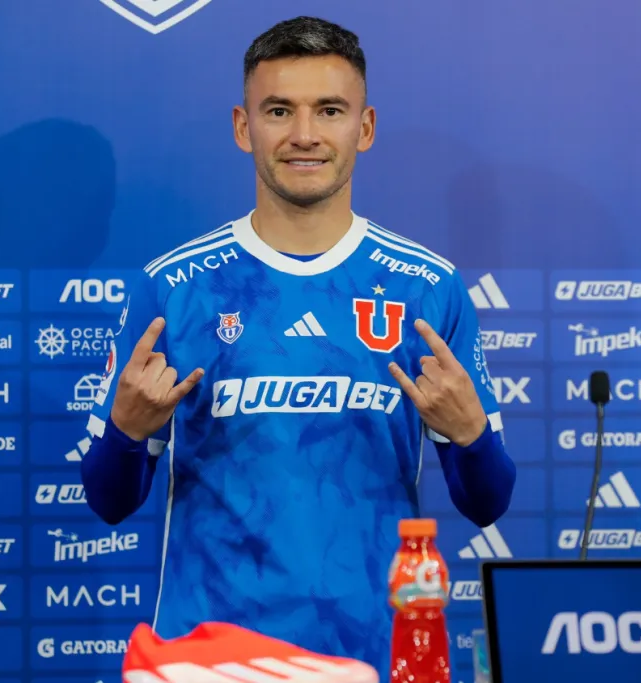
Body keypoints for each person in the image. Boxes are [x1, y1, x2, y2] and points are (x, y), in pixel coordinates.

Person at [80, 15, 517, 677]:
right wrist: (125, 433)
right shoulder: (173, 288)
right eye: (279, 110)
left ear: (364, 128)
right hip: (208, 661)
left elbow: (486, 501)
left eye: (330, 110)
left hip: (374, 654)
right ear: (242, 125)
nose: (305, 135)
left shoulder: (428, 288)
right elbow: (108, 500)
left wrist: (471, 434)